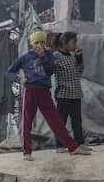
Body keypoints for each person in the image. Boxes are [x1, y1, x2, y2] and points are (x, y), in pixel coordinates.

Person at [5, 31, 90, 161]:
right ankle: (27, 152)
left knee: (56, 121)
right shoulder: (25, 57)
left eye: (42, 42)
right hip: (30, 91)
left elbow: (50, 71)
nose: (39, 45)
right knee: (27, 122)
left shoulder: (49, 55)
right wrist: (18, 79)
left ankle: (73, 147)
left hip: (44, 92)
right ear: (31, 43)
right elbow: (8, 72)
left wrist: (43, 57)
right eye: (36, 42)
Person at [52, 31, 86, 149]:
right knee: (61, 123)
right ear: (65, 43)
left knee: (77, 122)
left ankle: (79, 144)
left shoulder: (72, 57)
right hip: (64, 95)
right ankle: (60, 145)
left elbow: (80, 71)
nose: (76, 44)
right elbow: (49, 69)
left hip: (76, 94)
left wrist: (79, 58)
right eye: (73, 42)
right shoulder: (56, 56)